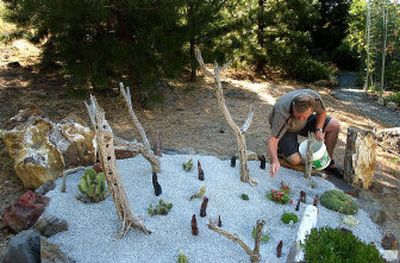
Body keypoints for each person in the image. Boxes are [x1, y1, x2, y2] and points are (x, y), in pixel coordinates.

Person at [266, 89, 342, 177]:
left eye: (304, 116)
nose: (301, 119)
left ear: (311, 109)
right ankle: (281, 152)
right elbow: (273, 139)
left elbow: (321, 112)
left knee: (334, 125)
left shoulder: (315, 99)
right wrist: (274, 160)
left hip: (306, 124)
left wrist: (318, 129)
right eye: (298, 116)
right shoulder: (282, 112)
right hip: (287, 128)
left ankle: (328, 162)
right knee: (295, 160)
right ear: (294, 106)